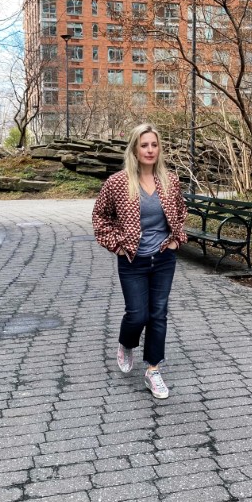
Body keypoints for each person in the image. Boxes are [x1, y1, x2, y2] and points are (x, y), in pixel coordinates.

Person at [92, 123, 188, 399]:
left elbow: (181, 213)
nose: (150, 150)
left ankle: (153, 370)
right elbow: (100, 218)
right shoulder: (118, 183)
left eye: (154, 145)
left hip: (163, 259)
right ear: (134, 148)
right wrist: (118, 247)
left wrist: (175, 240)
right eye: (144, 145)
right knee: (137, 314)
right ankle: (126, 342)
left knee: (158, 314)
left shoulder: (170, 180)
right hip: (132, 260)